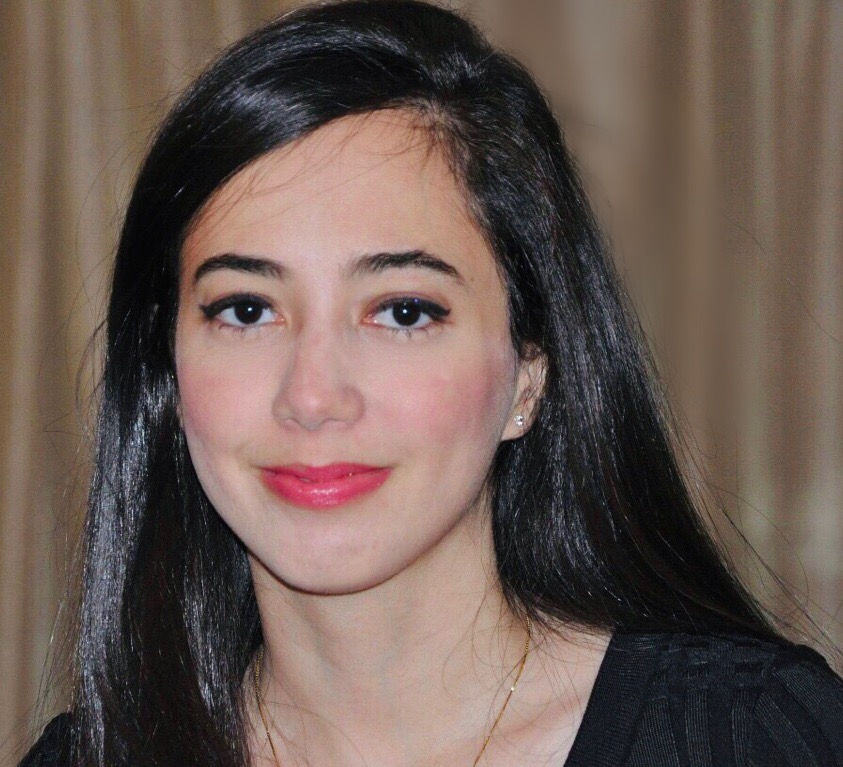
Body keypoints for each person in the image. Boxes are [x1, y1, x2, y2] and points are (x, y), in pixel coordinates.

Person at [20, 1, 843, 765]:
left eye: (402, 311)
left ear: (528, 374)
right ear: (165, 370)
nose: (312, 396)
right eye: (246, 309)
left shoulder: (748, 735)